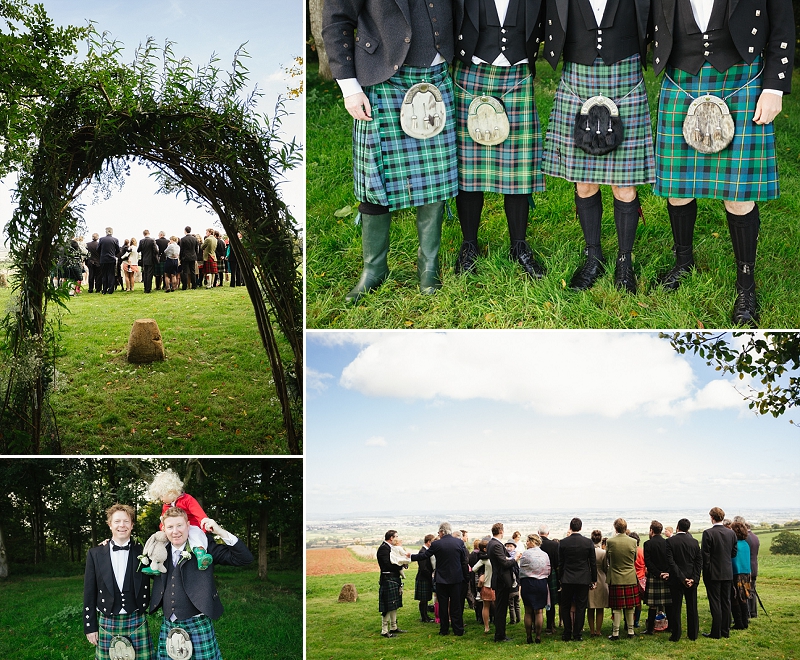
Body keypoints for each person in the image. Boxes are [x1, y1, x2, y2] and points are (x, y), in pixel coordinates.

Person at [651, 0, 795, 325]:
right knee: (678, 186)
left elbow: (782, 24)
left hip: (741, 76)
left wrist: (774, 87)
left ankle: (746, 285)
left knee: (739, 194)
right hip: (681, 77)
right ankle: (682, 262)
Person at [322, 0, 458, 302]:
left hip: (436, 78)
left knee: (435, 178)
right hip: (383, 78)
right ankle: (374, 270)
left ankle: (429, 267)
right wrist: (349, 86)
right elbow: (336, 19)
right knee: (375, 182)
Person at [542, 0, 654, 293]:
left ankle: (624, 262)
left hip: (625, 74)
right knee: (585, 182)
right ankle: (594, 257)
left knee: (625, 184)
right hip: (578, 76)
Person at [450, 0, 547, 279]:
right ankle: (469, 244)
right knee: (470, 169)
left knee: (517, 170)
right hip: (471, 73)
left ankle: (518, 245)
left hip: (517, 74)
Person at [148, 506, 253, 660]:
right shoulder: (158, 551)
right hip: (169, 624)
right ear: (164, 529)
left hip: (197, 622)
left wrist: (220, 531)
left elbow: (245, 558)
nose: (175, 531)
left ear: (188, 526)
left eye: (179, 525)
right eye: (170, 527)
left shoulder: (204, 546)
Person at [83, 504, 155, 660]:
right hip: (107, 620)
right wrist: (90, 626)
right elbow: (89, 592)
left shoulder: (144, 552)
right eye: (117, 521)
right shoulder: (95, 554)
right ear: (110, 525)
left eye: (126, 521)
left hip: (136, 619)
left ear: (132, 525)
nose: (121, 525)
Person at [144, 469, 216, 572]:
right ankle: (156, 564)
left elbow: (199, 513)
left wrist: (205, 524)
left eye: (161, 496)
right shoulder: (166, 506)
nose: (160, 499)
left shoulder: (187, 499)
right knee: (160, 541)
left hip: (191, 526)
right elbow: (163, 520)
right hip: (174, 530)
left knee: (195, 534)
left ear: (169, 492)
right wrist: (162, 530)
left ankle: (200, 555)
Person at [411, 522, 470, 636]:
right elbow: (464, 562)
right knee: (456, 605)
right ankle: (458, 629)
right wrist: (466, 577)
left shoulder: (437, 544)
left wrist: (411, 557)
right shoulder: (459, 542)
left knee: (443, 605)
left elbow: (424, 556)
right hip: (456, 579)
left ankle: (444, 629)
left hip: (441, 579)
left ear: (442, 532)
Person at [557, 517, 597, 642]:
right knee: (581, 606)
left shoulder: (563, 543)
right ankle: (577, 633)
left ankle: (567, 632)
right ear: (580, 527)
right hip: (583, 578)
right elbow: (593, 563)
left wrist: (560, 579)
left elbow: (560, 563)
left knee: (565, 606)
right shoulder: (588, 542)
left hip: (567, 578)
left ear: (570, 527)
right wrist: (594, 580)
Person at [701, 506, 738, 639]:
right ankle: (725, 630)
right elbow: (734, 553)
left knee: (715, 602)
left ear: (712, 517)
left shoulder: (708, 533)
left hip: (713, 573)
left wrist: (707, 570)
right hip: (728, 572)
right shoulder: (731, 533)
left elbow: (705, 556)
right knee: (726, 601)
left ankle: (716, 632)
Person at [666, 517, 702, 642]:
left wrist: (682, 578)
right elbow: (698, 562)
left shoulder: (670, 542)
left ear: (677, 527)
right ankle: (693, 634)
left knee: (676, 607)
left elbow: (671, 562)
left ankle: (676, 634)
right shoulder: (694, 542)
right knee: (692, 607)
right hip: (691, 579)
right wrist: (693, 578)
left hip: (676, 579)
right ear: (688, 529)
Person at [605, 518, 639, 640]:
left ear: (616, 528)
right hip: (630, 576)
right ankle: (631, 631)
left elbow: (607, 559)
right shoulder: (633, 541)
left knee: (616, 607)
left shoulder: (610, 541)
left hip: (616, 577)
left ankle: (615, 633)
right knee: (630, 607)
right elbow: (634, 559)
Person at [488, 522, 520, 642]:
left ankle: (500, 633)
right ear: (501, 531)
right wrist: (515, 559)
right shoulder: (496, 545)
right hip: (502, 580)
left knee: (501, 607)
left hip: (499, 579)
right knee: (501, 609)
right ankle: (500, 635)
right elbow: (504, 563)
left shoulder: (492, 544)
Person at [519, 533, 550, 644]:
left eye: (527, 541)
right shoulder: (545, 555)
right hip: (541, 583)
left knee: (528, 611)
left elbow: (521, 570)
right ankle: (538, 636)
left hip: (527, 583)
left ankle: (528, 636)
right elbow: (548, 570)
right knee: (539, 612)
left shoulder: (526, 554)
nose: (526, 543)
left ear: (532, 541)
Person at [377, 530, 408, 638]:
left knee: (394, 604)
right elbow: (387, 564)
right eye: (396, 536)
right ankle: (384, 630)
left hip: (394, 578)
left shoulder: (391, 548)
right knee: (387, 605)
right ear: (391, 538)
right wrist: (400, 566)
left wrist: (404, 563)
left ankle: (394, 627)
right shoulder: (383, 549)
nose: (397, 538)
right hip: (388, 579)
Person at [643, 520, 672, 634]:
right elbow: (671, 560)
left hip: (654, 576)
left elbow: (648, 562)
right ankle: (671, 627)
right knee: (668, 603)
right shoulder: (667, 542)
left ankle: (650, 629)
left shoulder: (648, 544)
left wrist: (657, 573)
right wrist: (666, 573)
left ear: (651, 530)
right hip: (666, 576)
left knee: (653, 605)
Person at [734, 515, 760, 618]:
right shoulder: (755, 537)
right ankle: (753, 612)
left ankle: (748, 613)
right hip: (753, 566)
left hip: (745, 567)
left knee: (746, 591)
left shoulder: (745, 539)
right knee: (752, 590)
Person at [730, 520, 752, 630]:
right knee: (743, 597)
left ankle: (739, 622)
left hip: (736, 572)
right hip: (746, 573)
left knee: (735, 598)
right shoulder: (746, 544)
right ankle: (745, 621)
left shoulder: (735, 544)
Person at [539, 524, 560, 634]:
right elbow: (557, 562)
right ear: (548, 533)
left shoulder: (536, 545)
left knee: (537, 601)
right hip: (551, 574)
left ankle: (536, 625)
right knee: (550, 601)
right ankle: (550, 626)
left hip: (538, 575)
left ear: (538, 533)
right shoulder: (554, 544)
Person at [587, 530, 608, 637]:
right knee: (600, 607)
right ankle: (598, 631)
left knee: (590, 607)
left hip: (589, 579)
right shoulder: (603, 553)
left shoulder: (587, 552)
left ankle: (591, 630)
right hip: (601, 579)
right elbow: (605, 568)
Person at [471, 537, 494, 633]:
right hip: (495, 585)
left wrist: (483, 574)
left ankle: (486, 626)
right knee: (496, 606)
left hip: (486, 585)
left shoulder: (484, 560)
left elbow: (473, 569)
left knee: (486, 606)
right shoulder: (493, 557)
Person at [414, 534, 436, 623]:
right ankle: (424, 617)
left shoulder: (426, 551)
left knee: (426, 598)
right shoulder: (422, 552)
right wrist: (431, 575)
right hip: (423, 578)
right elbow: (423, 568)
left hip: (425, 577)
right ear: (429, 542)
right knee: (423, 599)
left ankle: (425, 616)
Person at [98, 227, 120, 295]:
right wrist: (113, 254)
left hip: (103, 259)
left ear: (106, 232)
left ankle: (104, 289)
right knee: (111, 274)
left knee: (104, 274)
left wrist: (102, 254)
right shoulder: (115, 240)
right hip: (111, 259)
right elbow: (118, 250)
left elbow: (98, 249)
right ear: (112, 232)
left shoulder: (101, 239)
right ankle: (110, 289)